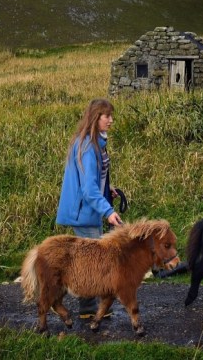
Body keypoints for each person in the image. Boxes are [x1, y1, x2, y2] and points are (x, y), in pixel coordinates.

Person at [55, 98, 123, 317]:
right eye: (107, 116)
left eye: (111, 116)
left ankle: (87, 308)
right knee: (91, 262)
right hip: (84, 212)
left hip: (88, 209)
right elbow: (88, 189)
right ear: (96, 118)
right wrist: (109, 211)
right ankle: (86, 308)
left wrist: (107, 189)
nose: (111, 120)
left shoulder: (95, 142)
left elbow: (94, 181)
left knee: (89, 260)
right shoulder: (88, 146)